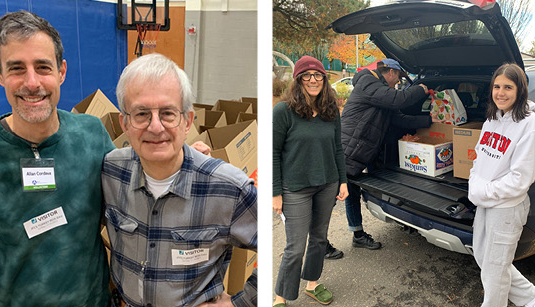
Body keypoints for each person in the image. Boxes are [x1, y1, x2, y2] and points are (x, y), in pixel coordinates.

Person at [0, 11, 113, 306]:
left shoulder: (92, 136)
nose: (32, 83)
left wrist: (185, 159)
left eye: (43, 67)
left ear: (62, 71)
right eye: (17, 68)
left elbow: (133, 195)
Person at [95, 53, 255, 307]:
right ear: (124, 123)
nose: (155, 127)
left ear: (187, 121)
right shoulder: (110, 172)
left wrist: (241, 303)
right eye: (141, 114)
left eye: (168, 113)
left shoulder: (228, 188)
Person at [465, 64, 535, 307]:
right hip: (485, 201)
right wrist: (474, 182)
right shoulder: (492, 118)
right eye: (497, 86)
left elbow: (522, 178)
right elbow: (480, 156)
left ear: (520, 90)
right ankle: (533, 298)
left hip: (507, 207)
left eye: (508, 87)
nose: (500, 92)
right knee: (483, 257)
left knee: (495, 270)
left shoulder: (530, 123)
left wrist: (484, 192)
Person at [273, 55, 347, 305]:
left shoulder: (330, 111)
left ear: (324, 80)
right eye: (307, 75)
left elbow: (338, 148)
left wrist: (343, 181)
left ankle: (312, 284)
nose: (313, 80)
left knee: (319, 239)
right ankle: (281, 298)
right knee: (295, 247)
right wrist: (275, 193)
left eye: (318, 75)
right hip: (295, 187)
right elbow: (273, 151)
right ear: (298, 79)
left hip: (327, 183)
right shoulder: (284, 111)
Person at [339, 60, 429, 257]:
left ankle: (357, 234)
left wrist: (431, 120)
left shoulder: (383, 95)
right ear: (390, 72)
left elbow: (400, 118)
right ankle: (318, 244)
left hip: (358, 149)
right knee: (331, 196)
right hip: (347, 148)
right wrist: (420, 90)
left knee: (350, 191)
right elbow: (400, 99)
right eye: (398, 77)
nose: (398, 82)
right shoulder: (368, 83)